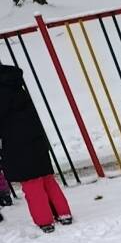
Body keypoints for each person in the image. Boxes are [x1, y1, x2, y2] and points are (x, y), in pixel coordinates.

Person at [0, 66, 72, 233]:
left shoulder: (2, 93)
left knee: (31, 185)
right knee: (47, 179)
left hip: (15, 143)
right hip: (35, 138)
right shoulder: (15, 84)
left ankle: (45, 221)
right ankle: (63, 213)